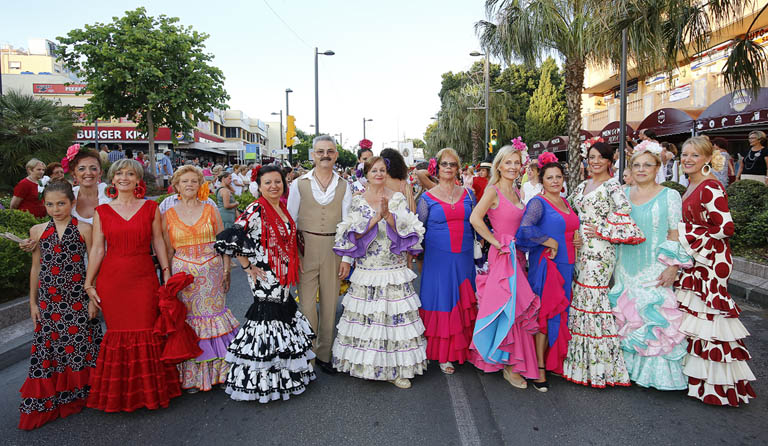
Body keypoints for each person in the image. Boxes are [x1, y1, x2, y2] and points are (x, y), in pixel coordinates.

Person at [83, 159, 179, 412]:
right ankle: (119, 396)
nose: (124, 177)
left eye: (130, 174)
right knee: (118, 335)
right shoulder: (101, 211)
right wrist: (89, 282)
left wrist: (166, 273)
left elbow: (159, 242)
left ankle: (148, 394)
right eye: (119, 174)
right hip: (112, 281)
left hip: (143, 278)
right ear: (112, 180)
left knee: (147, 330)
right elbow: (97, 248)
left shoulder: (150, 207)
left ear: (138, 180)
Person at [215, 165, 315, 401]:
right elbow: (234, 236)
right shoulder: (256, 209)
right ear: (258, 186)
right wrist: (248, 267)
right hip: (264, 274)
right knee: (268, 321)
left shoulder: (281, 207)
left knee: (282, 316)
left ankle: (285, 375)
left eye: (277, 182)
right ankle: (262, 380)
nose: (273, 186)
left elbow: (289, 238)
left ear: (284, 184)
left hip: (281, 274)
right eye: (267, 182)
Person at [332, 156, 426, 388]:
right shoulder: (356, 201)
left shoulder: (397, 199)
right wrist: (346, 258)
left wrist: (389, 217)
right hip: (367, 268)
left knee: (394, 319)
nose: (379, 174)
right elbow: (350, 233)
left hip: (392, 266)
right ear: (366, 174)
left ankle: (398, 369)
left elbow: (408, 230)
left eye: (382, 170)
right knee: (369, 319)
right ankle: (366, 365)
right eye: (374, 170)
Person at [675, 136, 756, 406]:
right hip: (697, 257)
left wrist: (684, 233)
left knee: (711, 320)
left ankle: (718, 386)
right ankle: (696, 379)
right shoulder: (692, 183)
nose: (687, 159)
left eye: (694, 156)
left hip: (712, 260)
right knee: (696, 318)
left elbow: (725, 228)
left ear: (708, 158)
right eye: (685, 154)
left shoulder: (711, 187)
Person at [18, 181, 103, 430]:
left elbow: (93, 266)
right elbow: (36, 268)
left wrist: (92, 297)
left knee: (79, 345)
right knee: (50, 348)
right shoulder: (37, 231)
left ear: (72, 203)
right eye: (50, 204)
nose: (56, 209)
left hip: (77, 299)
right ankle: (54, 396)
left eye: (61, 203)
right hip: (48, 300)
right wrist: (32, 303)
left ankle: (80, 393)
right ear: (44, 205)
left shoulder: (85, 229)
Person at [562, 141, 644, 388]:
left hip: (599, 251)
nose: (595, 161)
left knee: (593, 301)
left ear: (609, 161)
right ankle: (580, 364)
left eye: (600, 157)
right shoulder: (583, 185)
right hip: (580, 248)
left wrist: (600, 231)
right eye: (591, 157)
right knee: (581, 298)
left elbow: (625, 217)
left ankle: (601, 368)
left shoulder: (612, 187)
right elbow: (570, 210)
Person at [609, 145, 690, 391]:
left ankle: (656, 375)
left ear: (657, 168)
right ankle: (628, 369)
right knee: (627, 317)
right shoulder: (621, 193)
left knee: (653, 317)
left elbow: (675, 232)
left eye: (647, 165)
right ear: (630, 169)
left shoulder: (670, 196)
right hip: (624, 266)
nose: (641, 169)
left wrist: (673, 267)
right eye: (636, 165)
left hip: (655, 268)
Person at [467, 145, 540, 388]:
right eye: (508, 162)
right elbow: (475, 218)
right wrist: (496, 241)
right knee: (507, 308)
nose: (512, 167)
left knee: (515, 309)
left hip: (517, 256)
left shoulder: (517, 192)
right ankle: (510, 367)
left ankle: (511, 361)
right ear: (499, 165)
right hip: (503, 258)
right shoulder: (493, 190)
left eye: (516, 163)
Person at [163, 166, 239, 393]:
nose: (189, 185)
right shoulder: (167, 214)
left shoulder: (210, 208)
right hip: (183, 276)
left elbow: (222, 242)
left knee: (214, 316)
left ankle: (221, 372)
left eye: (194, 181)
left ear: (200, 185)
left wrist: (227, 270)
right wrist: (167, 278)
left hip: (212, 271)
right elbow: (167, 249)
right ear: (176, 185)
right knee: (189, 321)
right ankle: (193, 376)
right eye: (184, 181)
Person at [287, 135, 352, 375]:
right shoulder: (299, 184)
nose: (325, 155)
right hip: (306, 248)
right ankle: (307, 354)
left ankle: (325, 354)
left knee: (329, 304)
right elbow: (291, 221)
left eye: (330, 151)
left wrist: (346, 258)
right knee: (305, 305)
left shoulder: (345, 185)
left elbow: (348, 224)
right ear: (313, 154)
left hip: (333, 249)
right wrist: (293, 255)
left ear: (336, 155)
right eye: (320, 151)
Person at [516, 153, 580, 391]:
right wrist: (549, 241)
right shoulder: (538, 203)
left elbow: (571, 228)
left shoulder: (566, 203)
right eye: (550, 177)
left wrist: (577, 240)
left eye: (558, 177)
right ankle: (539, 368)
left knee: (560, 313)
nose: (555, 181)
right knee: (545, 315)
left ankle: (553, 361)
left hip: (567, 264)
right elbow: (524, 231)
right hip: (547, 265)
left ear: (564, 179)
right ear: (541, 180)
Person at [416, 148, 478, 375]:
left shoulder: (469, 194)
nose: (449, 168)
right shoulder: (426, 198)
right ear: (437, 168)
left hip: (464, 257)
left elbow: (477, 223)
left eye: (453, 164)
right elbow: (417, 228)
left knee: (463, 299)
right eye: (444, 164)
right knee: (443, 299)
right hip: (438, 258)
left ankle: (464, 349)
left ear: (458, 168)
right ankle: (444, 354)